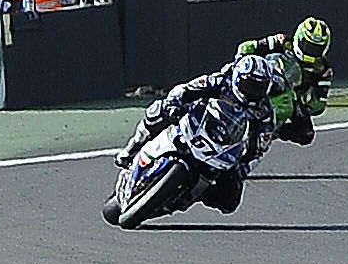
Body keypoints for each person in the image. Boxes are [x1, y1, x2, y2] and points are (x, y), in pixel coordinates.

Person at [114, 54, 281, 213]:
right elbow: (185, 89)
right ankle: (132, 149)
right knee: (158, 111)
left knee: (230, 201)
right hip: (198, 120)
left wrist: (242, 169)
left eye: (260, 87)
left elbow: (260, 149)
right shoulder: (221, 80)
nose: (253, 91)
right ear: (237, 78)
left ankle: (196, 193)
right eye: (249, 85)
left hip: (224, 145)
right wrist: (173, 104)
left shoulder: (264, 112)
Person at [233, 15, 333, 143]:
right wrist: (239, 65)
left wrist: (302, 106)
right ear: (298, 39)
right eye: (307, 46)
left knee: (306, 135)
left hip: (292, 97)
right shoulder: (281, 41)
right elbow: (246, 47)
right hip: (265, 77)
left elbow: (319, 104)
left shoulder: (323, 69)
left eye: (315, 49)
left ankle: (273, 130)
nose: (310, 52)